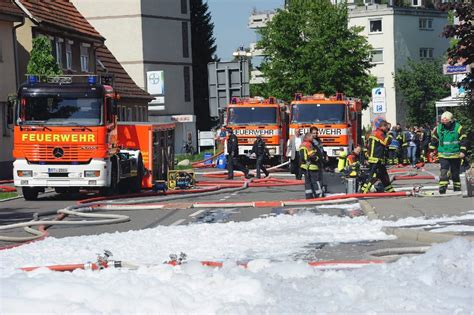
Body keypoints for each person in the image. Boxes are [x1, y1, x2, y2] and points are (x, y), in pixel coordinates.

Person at [429, 111, 468, 194]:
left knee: (455, 172)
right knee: (444, 170)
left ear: (451, 121)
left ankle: (457, 187)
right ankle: (442, 187)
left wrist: (462, 151)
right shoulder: (439, 128)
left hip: (455, 154)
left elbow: (464, 140)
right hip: (443, 154)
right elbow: (434, 139)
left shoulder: (458, 127)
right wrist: (432, 151)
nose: (445, 124)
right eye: (444, 123)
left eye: (447, 123)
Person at [361, 120, 395, 193]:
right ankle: (363, 192)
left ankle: (391, 191)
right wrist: (390, 135)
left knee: (384, 176)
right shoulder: (379, 133)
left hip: (377, 159)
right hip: (376, 159)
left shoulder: (374, 133)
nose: (387, 129)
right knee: (372, 176)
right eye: (387, 128)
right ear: (382, 126)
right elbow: (386, 142)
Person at [299, 133, 323, 199]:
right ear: (307, 137)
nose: (313, 138)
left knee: (307, 182)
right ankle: (319, 194)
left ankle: (309, 195)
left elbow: (302, 157)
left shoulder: (302, 145)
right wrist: (317, 159)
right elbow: (311, 155)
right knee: (315, 181)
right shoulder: (308, 145)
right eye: (311, 137)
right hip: (312, 166)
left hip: (305, 167)